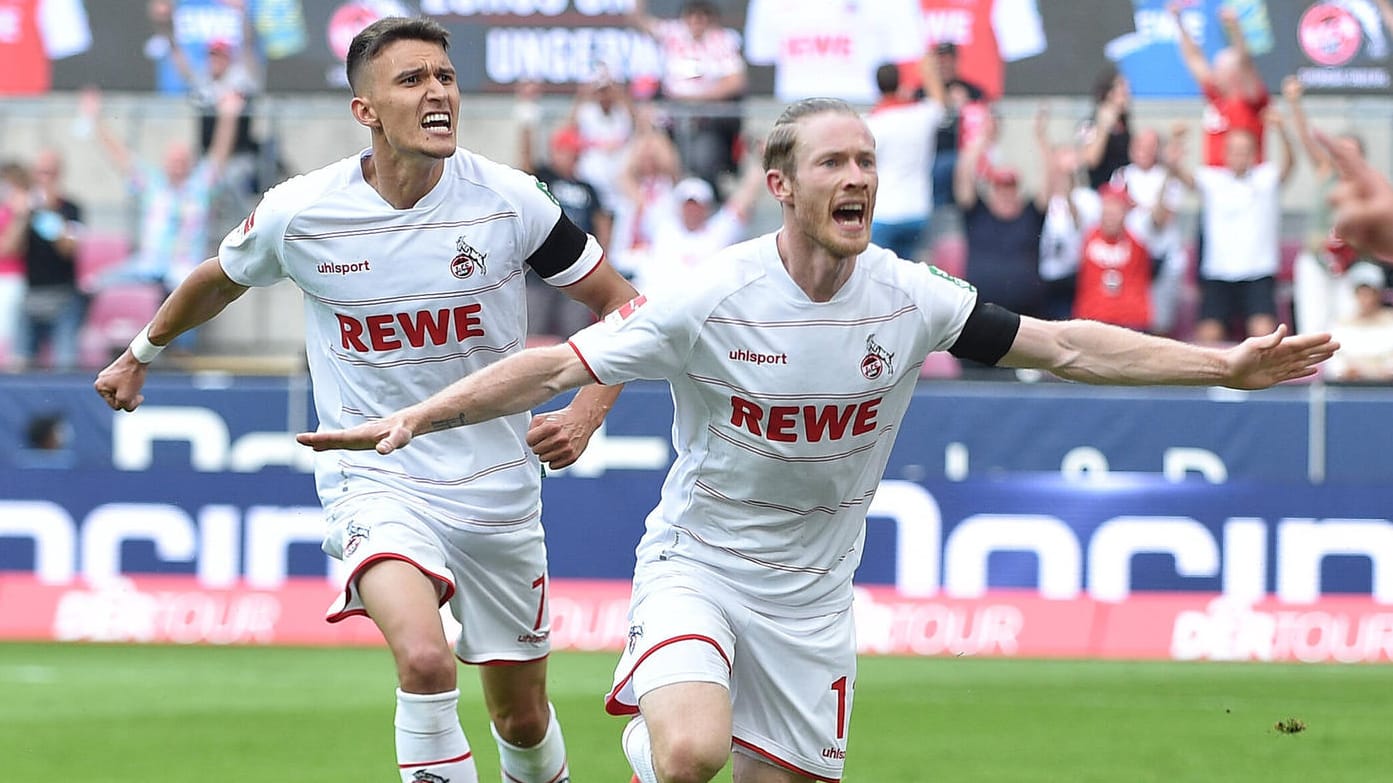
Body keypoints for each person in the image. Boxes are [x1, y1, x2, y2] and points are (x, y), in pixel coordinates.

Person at [297, 97, 1337, 783]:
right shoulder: (709, 294)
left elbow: (1062, 347)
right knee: (697, 754)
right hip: (698, 564)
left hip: (813, 597)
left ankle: (654, 746)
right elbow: (559, 363)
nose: (859, 178)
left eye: (869, 162)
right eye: (834, 161)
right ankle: (667, 737)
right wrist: (420, 416)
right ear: (783, 185)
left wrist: (1225, 366)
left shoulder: (912, 297)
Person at [94, 17, 640, 783]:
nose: (438, 91)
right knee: (422, 658)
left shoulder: (511, 202)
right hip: (374, 473)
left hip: (498, 485)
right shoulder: (303, 211)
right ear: (366, 111)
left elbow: (626, 309)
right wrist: (139, 353)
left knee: (520, 714)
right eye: (412, 80)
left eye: (444, 76)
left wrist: (587, 411)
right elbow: (216, 277)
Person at [82, 87, 241, 299]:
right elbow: (121, 157)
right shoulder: (153, 186)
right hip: (147, 268)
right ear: (165, 163)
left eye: (183, 161)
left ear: (191, 164)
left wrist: (228, 117)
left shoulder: (200, 187)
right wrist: (96, 119)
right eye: (174, 161)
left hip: (183, 273)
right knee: (92, 285)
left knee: (189, 302)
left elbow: (219, 155)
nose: (178, 166)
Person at [1167, 111, 1295, 344]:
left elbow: (1289, 165)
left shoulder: (1265, 178)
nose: (1239, 156)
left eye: (1244, 151)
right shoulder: (1212, 179)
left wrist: (1283, 132)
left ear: (1254, 153)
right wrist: (1176, 141)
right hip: (1218, 272)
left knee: (1264, 334)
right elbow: (1180, 174)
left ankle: (1264, 382)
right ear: (1225, 153)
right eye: (1234, 150)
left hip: (1258, 271)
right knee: (1208, 336)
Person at [628, 0, 747, 192]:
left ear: (710, 19)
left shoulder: (722, 41)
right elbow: (639, 20)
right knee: (650, 136)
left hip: (707, 119)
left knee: (702, 158)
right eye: (691, 15)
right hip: (672, 115)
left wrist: (699, 98)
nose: (696, 21)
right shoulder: (674, 34)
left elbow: (735, 81)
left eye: (702, 16)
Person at [954, 111, 1048, 323]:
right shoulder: (977, 213)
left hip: (1026, 318)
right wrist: (984, 139)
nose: (1006, 193)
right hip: (980, 320)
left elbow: (1049, 182)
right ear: (992, 190)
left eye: (1010, 187)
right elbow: (963, 175)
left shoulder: (1031, 215)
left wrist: (1041, 139)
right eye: (1000, 187)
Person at [865, 48, 945, 263]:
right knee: (909, 287)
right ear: (900, 83)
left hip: (883, 214)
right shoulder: (919, 116)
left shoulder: (871, 124)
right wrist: (929, 72)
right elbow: (939, 102)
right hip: (917, 211)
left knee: (879, 283)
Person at [19, 149, 86, 371]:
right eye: (40, 173)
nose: (44, 179)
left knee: (64, 365)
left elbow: (69, 249)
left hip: (63, 296)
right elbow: (10, 248)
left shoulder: (72, 209)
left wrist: (50, 214)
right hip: (31, 294)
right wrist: (22, 215)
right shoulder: (27, 211)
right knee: (21, 365)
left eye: (49, 173)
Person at [1318, 130, 1393, 264]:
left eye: (1350, 152)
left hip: (1362, 263)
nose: (1344, 158)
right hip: (1326, 260)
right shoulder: (1328, 179)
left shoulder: (1374, 189)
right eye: (1339, 152)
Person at [1325, 262, 1393, 383]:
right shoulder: (1341, 324)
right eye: (1362, 293)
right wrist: (1344, 371)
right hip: (1350, 391)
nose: (1366, 299)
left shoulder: (1390, 320)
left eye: (1370, 293)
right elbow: (1334, 362)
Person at [1078, 66, 1131, 190]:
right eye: (1122, 89)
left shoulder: (1125, 125)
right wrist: (1104, 126)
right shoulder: (1089, 124)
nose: (1127, 94)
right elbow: (1091, 159)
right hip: (1100, 190)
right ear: (1109, 93)